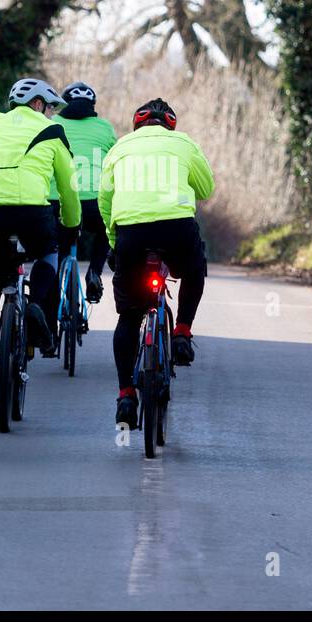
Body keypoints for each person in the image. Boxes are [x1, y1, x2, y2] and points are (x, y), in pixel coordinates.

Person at [0, 77, 81, 401]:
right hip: (32, 214)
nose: (51, 114)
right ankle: (36, 305)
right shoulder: (51, 131)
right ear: (38, 104)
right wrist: (70, 222)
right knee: (48, 253)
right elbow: (68, 186)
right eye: (51, 107)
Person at [98, 98, 214, 430]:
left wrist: (113, 241)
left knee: (129, 317)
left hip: (131, 232)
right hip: (176, 226)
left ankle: (125, 396)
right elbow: (206, 187)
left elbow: (106, 198)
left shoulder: (119, 148)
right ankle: (181, 332)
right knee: (193, 269)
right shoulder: (184, 143)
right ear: (170, 124)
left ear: (138, 125)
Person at [47, 81, 116, 304]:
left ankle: (57, 285)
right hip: (94, 201)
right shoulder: (104, 127)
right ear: (92, 105)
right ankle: (95, 271)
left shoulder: (53, 123)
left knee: (61, 245)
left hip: (58, 200)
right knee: (106, 229)